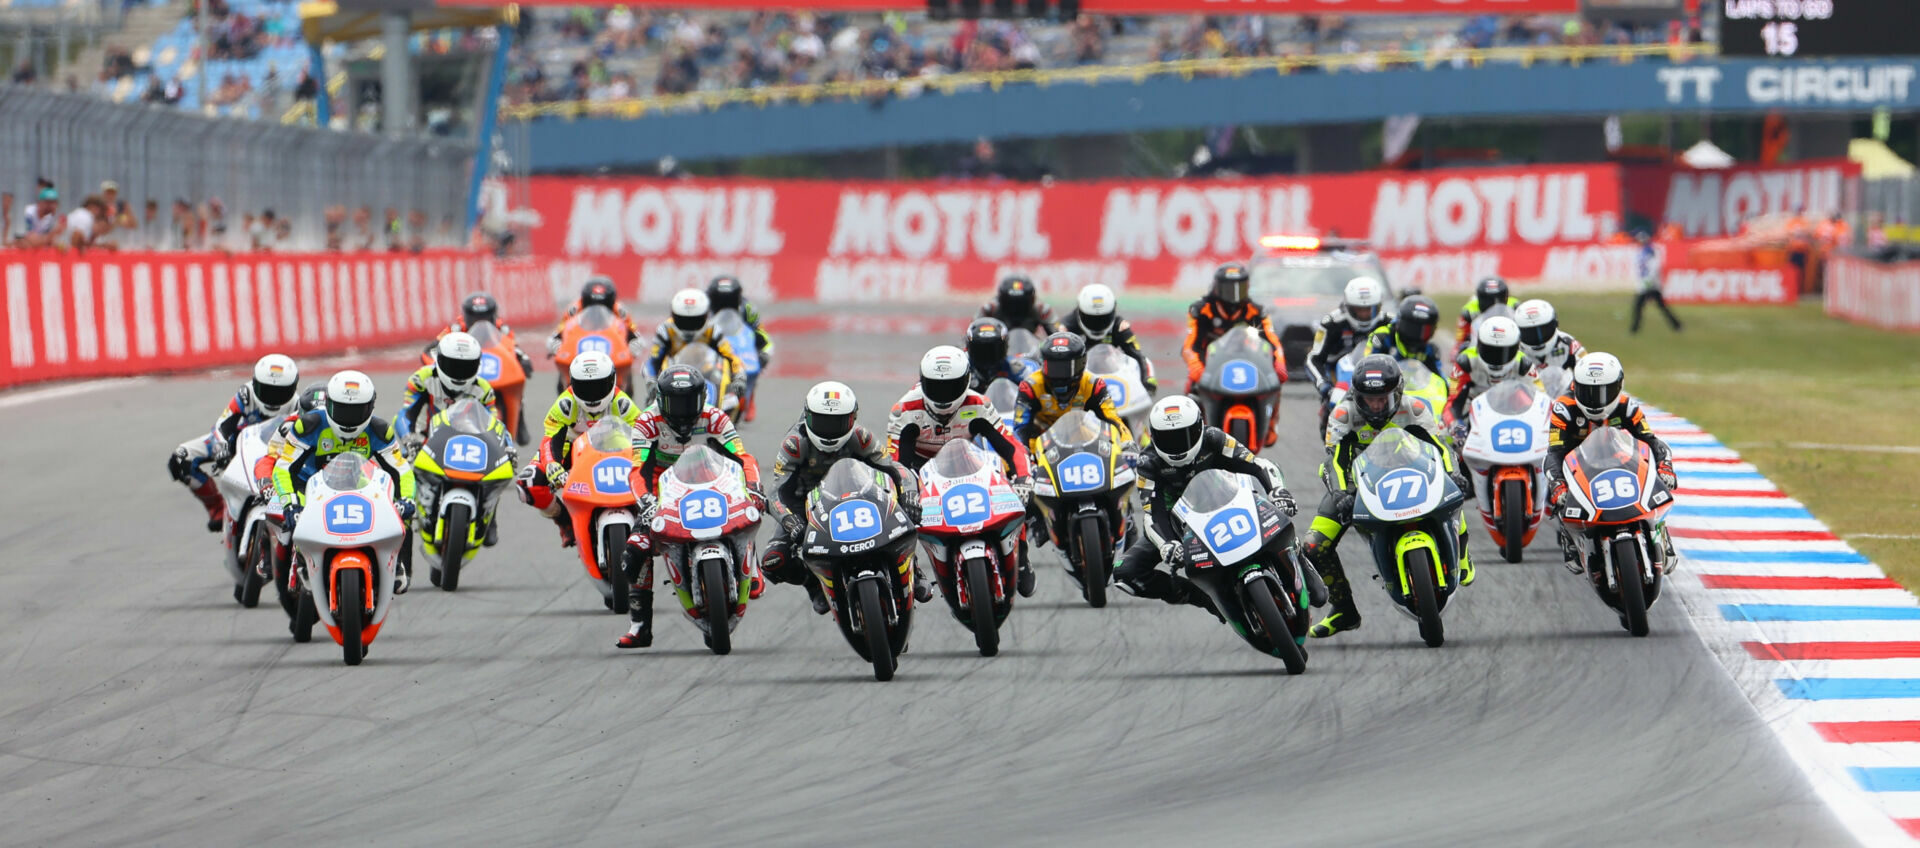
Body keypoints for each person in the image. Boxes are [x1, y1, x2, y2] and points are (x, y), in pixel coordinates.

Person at [1306, 355, 1475, 638]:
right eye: (1368, 399)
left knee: (1452, 492)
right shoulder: (1342, 415)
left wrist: (1453, 472)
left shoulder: (1416, 409)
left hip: (1411, 472)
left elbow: (1440, 448)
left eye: (1382, 399)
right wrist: (1340, 493)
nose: (1375, 405)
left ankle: (1463, 553)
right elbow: (1335, 459)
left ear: (1396, 393)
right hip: (1355, 485)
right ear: (1357, 396)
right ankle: (1343, 610)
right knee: (1313, 546)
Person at [1114, 396, 1319, 616]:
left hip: (1229, 500)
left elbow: (1257, 465)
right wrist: (1167, 544)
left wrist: (1277, 491)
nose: (1177, 445)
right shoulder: (1147, 463)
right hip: (1179, 524)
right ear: (1153, 437)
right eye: (1168, 438)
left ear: (1199, 427)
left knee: (1318, 595)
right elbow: (1153, 515)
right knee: (1125, 573)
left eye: (1184, 435)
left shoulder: (1214, 438)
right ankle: (1203, 597)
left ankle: (1293, 551)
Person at [616, 365, 766, 649]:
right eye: (675, 402)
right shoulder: (647, 422)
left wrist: (753, 487)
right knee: (637, 548)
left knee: (749, 509)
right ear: (661, 399)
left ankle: (751, 567)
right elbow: (638, 469)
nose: (683, 410)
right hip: (665, 490)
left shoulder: (716, 417)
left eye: (689, 402)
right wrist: (646, 502)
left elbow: (742, 458)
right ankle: (640, 626)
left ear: (702, 397)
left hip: (712, 480)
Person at [761, 382, 926, 615]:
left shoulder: (861, 436)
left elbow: (895, 469)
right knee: (773, 560)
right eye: (821, 421)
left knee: (903, 518)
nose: (829, 430)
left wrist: (909, 494)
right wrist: (790, 521)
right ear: (807, 416)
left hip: (857, 494)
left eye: (837, 422)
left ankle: (913, 569)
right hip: (805, 504)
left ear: (853, 418)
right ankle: (815, 586)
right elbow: (775, 492)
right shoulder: (794, 443)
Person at [888, 346, 1037, 595]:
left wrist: (1023, 478)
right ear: (922, 382)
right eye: (936, 387)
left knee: (1018, 487)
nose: (944, 395)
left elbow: (1012, 447)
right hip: (919, 470)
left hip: (965, 460)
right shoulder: (904, 411)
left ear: (967, 381)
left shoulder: (979, 404)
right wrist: (906, 491)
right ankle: (913, 568)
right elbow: (895, 463)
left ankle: (1020, 554)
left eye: (951, 386)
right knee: (896, 506)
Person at [271, 370, 417, 595]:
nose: (349, 418)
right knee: (289, 524)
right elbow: (283, 468)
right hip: (308, 486)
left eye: (357, 411)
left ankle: (397, 564)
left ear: (370, 408)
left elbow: (401, 470)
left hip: (359, 486)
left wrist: (406, 499)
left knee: (402, 514)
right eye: (342, 409)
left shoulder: (380, 431)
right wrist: (290, 502)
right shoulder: (307, 426)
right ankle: (300, 562)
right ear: (328, 404)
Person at [1545, 353, 1678, 576]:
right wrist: (1558, 485)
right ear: (1576, 387)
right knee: (1553, 485)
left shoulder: (1627, 406)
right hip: (1579, 467)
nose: (1596, 400)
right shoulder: (1563, 408)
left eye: (1604, 392)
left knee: (1657, 481)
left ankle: (1660, 531)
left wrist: (1665, 468)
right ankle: (1570, 536)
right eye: (1588, 392)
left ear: (1619, 387)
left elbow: (1652, 442)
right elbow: (1555, 453)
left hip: (1619, 460)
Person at [517, 351, 644, 549]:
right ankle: (565, 522)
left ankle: (640, 526)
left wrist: (642, 464)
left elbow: (642, 437)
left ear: (611, 381)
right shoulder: (566, 404)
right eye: (585, 387)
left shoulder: (622, 403)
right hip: (572, 449)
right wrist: (553, 465)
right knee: (528, 484)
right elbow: (551, 437)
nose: (592, 394)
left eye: (599, 386)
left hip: (614, 449)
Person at [169, 354, 301, 532]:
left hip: (274, 452)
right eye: (266, 390)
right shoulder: (246, 395)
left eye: (280, 392)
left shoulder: (298, 406)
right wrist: (222, 446)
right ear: (255, 383)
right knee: (181, 458)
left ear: (293, 388)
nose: (273, 398)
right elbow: (222, 425)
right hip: (235, 445)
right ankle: (217, 509)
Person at [1181, 263, 1285, 392]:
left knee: (1273, 388)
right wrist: (1195, 366)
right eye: (1229, 289)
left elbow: (1272, 342)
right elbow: (1189, 346)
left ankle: (1270, 412)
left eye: (1239, 289)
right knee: (1192, 389)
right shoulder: (1201, 310)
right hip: (1209, 366)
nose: (1234, 295)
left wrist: (1279, 363)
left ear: (1246, 288)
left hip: (1248, 365)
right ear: (1217, 288)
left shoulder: (1257, 311)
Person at [1012, 332, 1132, 444]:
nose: (1060, 376)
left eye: (1067, 368)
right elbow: (1020, 427)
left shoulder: (1094, 385)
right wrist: (1029, 453)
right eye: (1053, 368)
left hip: (1079, 436)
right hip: (1040, 441)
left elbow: (1113, 419)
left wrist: (1127, 444)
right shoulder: (1030, 387)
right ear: (1043, 364)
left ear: (1081, 364)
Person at [394, 332, 502, 445]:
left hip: (465, 448)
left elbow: (495, 425)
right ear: (440, 360)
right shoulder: (421, 379)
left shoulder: (483, 390)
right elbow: (405, 414)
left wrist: (507, 447)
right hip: (424, 446)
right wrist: (408, 439)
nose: (459, 373)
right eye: (453, 366)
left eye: (466, 367)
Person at [644, 288, 747, 396]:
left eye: (694, 320)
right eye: (683, 320)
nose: (689, 325)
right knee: (652, 402)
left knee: (735, 400)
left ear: (705, 316)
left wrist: (739, 376)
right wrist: (651, 381)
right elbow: (653, 361)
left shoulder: (712, 330)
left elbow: (731, 356)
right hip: (672, 380)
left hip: (708, 377)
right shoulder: (665, 330)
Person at [1305, 276, 1390, 400]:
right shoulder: (1331, 324)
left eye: (1369, 310)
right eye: (1359, 309)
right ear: (1348, 306)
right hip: (1339, 380)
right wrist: (1324, 385)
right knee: (1332, 409)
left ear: (1379, 306)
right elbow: (1314, 359)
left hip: (1382, 380)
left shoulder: (1389, 323)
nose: (1364, 314)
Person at [1059, 284, 1156, 391]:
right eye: (1091, 319)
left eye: (1103, 319)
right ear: (1080, 312)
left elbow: (1137, 355)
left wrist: (1146, 380)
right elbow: (1051, 356)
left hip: (1111, 373)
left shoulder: (1120, 326)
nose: (1097, 324)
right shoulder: (1066, 327)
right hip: (1077, 378)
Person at [426, 292, 536, 380]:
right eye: (475, 319)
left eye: (485, 318)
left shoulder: (502, 329)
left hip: (495, 373)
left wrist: (524, 359)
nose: (481, 323)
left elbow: (513, 348)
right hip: (463, 376)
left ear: (493, 317)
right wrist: (438, 365)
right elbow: (430, 351)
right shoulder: (455, 329)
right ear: (467, 317)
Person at [1445, 316, 1524, 429]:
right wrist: (1455, 426)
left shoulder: (1524, 364)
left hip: (1513, 415)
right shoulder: (1465, 362)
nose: (1496, 358)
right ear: (1479, 346)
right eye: (1490, 351)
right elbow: (1452, 404)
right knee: (1443, 431)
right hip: (1472, 416)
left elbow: (1540, 401)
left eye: (1503, 353)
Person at [546, 276, 644, 357]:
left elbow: (635, 334)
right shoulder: (574, 309)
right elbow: (557, 333)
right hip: (579, 350)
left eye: (603, 305)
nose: (597, 312)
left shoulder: (621, 311)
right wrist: (556, 345)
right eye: (592, 304)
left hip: (612, 350)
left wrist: (633, 346)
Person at [1364, 293, 1445, 376]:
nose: (1417, 335)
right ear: (1399, 323)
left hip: (1415, 388)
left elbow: (1440, 378)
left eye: (1425, 331)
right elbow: (1366, 367)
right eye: (1413, 329)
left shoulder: (1430, 350)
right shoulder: (1382, 337)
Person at [963, 317, 1037, 392]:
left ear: (1005, 347)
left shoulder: (1019, 369)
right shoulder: (962, 367)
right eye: (981, 350)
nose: (987, 356)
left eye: (992, 350)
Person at [1513, 299, 1586, 373]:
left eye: (1544, 330)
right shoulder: (1513, 351)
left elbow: (1586, 369)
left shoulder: (1569, 344)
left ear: (1555, 324)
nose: (1538, 337)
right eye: (1529, 333)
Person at [1630, 231, 1683, 334]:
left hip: (1650, 284)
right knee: (1659, 307)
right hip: (1645, 284)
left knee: (1640, 306)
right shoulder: (1641, 251)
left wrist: (1649, 281)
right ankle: (1677, 325)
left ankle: (1634, 329)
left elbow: (1654, 267)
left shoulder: (1649, 251)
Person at [1454, 276, 1519, 357]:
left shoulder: (1515, 307)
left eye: (1498, 299)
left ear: (1506, 298)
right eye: (1487, 300)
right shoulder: (1469, 312)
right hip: (1480, 350)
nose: (1493, 305)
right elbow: (1458, 344)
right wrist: (1461, 351)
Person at [977, 275, 1062, 336]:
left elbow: (1059, 335)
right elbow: (971, 335)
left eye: (1021, 303)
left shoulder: (1042, 310)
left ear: (1032, 300)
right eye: (1011, 303)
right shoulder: (989, 309)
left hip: (1032, 351)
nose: (1016, 308)